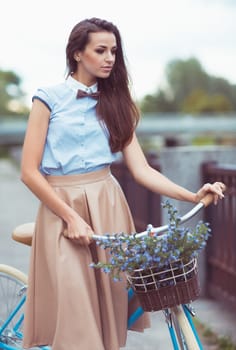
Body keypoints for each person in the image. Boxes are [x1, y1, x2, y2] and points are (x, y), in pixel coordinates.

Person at [21, 17, 225, 350]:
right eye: (100, 50)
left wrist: (192, 195)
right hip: (62, 209)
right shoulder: (47, 99)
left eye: (114, 51)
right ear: (77, 53)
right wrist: (70, 217)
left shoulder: (118, 103)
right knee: (76, 315)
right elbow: (29, 171)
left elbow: (142, 170)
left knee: (111, 310)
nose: (109, 58)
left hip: (108, 205)